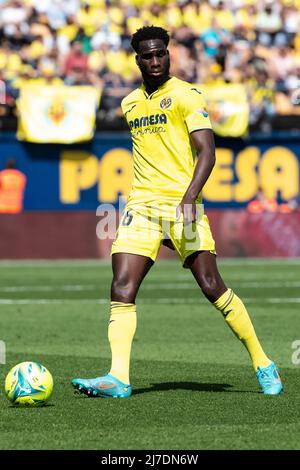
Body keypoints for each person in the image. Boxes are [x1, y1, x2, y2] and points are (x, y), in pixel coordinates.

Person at [72, 26, 283, 398]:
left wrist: (188, 199)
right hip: (141, 206)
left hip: (182, 205)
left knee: (212, 286)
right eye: (147, 56)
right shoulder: (129, 103)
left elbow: (208, 152)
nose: (155, 61)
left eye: (161, 54)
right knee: (122, 287)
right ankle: (118, 378)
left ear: (169, 54)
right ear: (136, 59)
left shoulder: (187, 95)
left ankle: (262, 362)